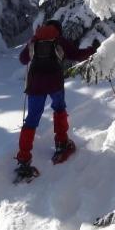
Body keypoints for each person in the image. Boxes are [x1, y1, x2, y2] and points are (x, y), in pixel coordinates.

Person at [15, 19, 99, 178]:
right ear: (57, 29)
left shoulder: (35, 40)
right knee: (59, 109)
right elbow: (76, 55)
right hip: (55, 83)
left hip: (35, 85)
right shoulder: (59, 40)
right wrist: (93, 50)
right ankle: (62, 142)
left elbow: (23, 60)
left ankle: (24, 158)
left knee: (31, 120)